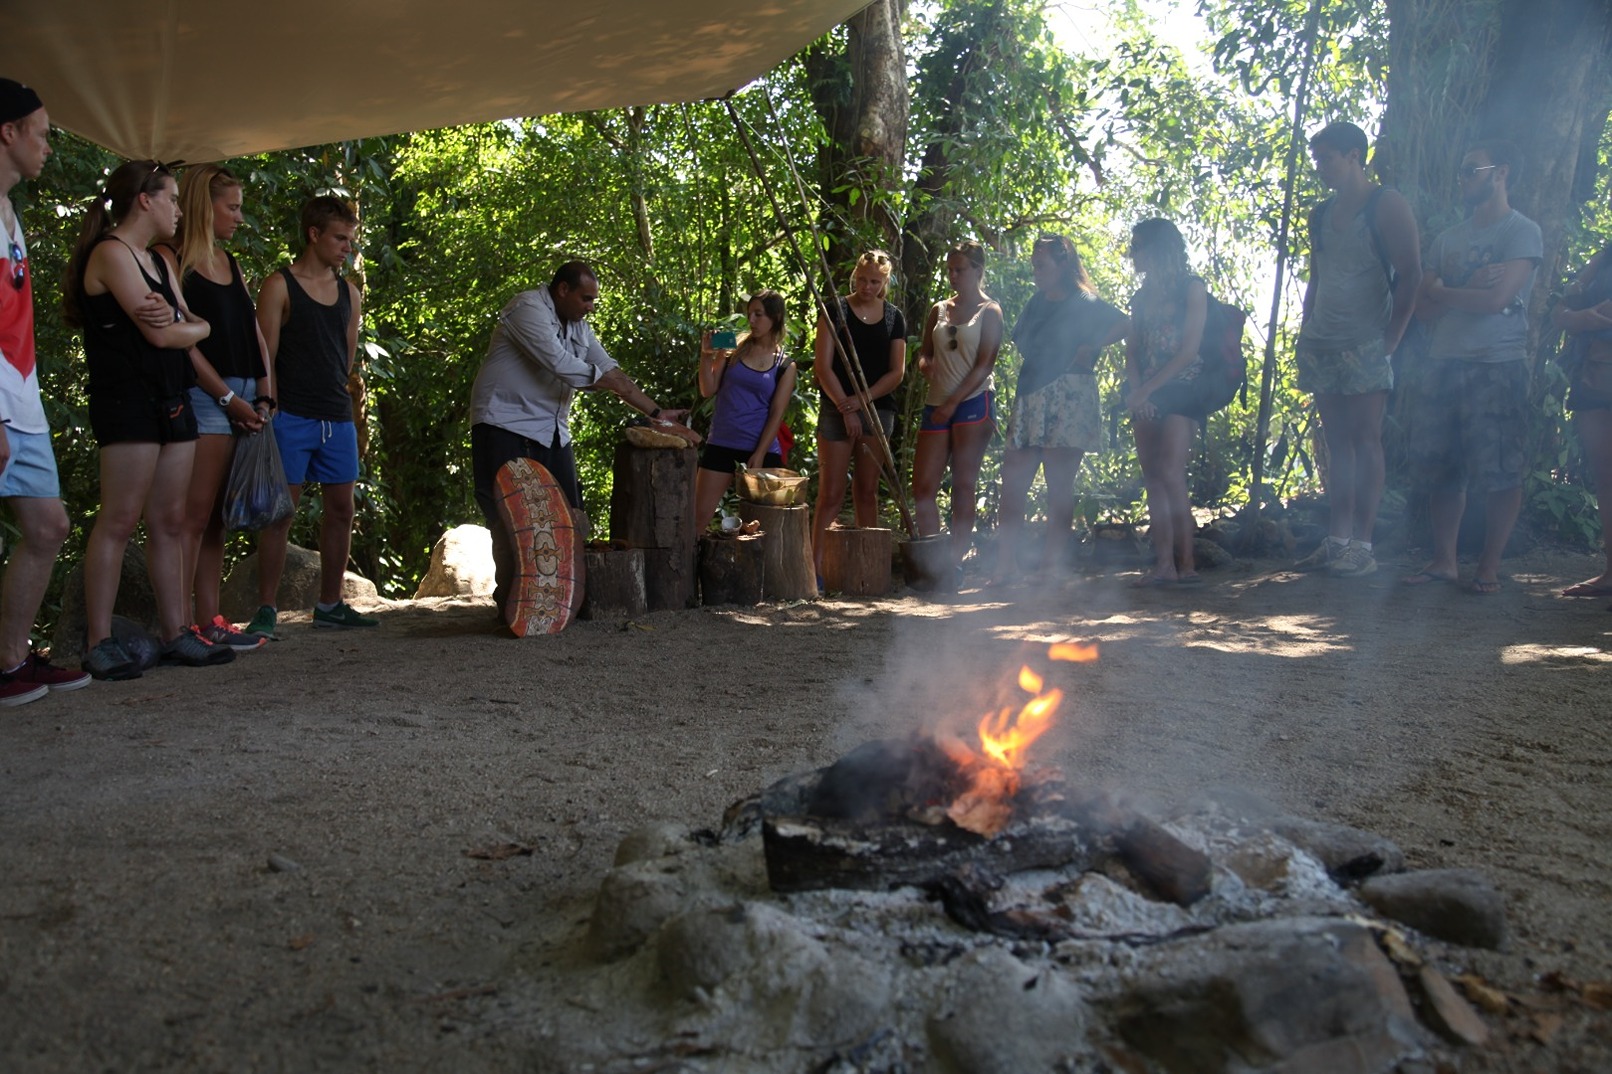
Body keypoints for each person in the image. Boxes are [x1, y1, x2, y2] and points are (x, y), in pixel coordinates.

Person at [64, 159, 235, 678]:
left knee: (168, 521)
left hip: (172, 399)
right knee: (118, 520)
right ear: (145, 199)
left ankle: (176, 632)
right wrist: (185, 327)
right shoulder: (111, 254)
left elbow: (192, 325)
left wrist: (189, 326)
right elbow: (165, 334)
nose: (180, 210)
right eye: (173, 199)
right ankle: (98, 640)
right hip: (127, 403)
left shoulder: (159, 263)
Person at [469, 260, 699, 616]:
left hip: (552, 431)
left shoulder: (578, 326)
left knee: (570, 516)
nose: (590, 307)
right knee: (510, 520)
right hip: (504, 425)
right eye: (585, 299)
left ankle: (559, 606)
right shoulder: (527, 308)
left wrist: (657, 414)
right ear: (562, 290)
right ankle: (512, 609)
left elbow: (608, 368)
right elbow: (562, 365)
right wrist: (609, 382)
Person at [1402, 141, 1542, 595]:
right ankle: (1445, 561)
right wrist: (1459, 289)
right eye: (1462, 172)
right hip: (1444, 363)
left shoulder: (1522, 232)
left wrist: (1445, 291)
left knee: (1503, 469)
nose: (1463, 179)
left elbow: (1496, 302)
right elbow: (1421, 307)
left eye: (1470, 170)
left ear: (1500, 172)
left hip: (1498, 364)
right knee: (1443, 468)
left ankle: (1489, 567)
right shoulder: (1448, 240)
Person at [1291, 122, 1422, 579]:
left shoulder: (1385, 204)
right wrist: (1306, 328)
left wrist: (1390, 340)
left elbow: (1410, 273)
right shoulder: (1320, 213)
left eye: (1326, 157)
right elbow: (1318, 274)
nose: (1319, 166)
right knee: (1337, 441)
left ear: (1353, 155)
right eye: (1316, 158)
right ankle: (1337, 540)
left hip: (1367, 339)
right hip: (1323, 340)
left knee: (1366, 440)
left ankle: (1363, 546)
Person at [0, 79, 91, 701]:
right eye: (43, 132)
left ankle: (7, 661)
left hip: (20, 393)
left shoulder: (8, 207)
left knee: (49, 526)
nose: (50, 146)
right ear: (8, 132)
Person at [159, 164, 271, 650]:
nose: (239, 217)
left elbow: (252, 330)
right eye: (233, 207)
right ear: (207, 206)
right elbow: (183, 342)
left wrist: (264, 391)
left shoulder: (230, 261)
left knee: (219, 518)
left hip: (245, 395)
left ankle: (209, 619)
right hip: (207, 398)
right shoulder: (171, 258)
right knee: (194, 514)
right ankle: (179, 624)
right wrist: (226, 398)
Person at [249, 196, 373, 636]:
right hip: (291, 417)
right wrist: (271, 408)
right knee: (281, 513)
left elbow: (347, 355)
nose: (346, 247)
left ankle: (330, 603)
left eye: (351, 240)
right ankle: (266, 607)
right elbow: (265, 355)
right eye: (340, 238)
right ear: (314, 234)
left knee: (342, 508)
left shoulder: (349, 293)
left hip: (336, 417)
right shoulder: (278, 285)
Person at [993, 234, 1127, 584]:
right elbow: (1022, 341)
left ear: (1063, 263)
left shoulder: (1086, 301)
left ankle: (1052, 568)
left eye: (1041, 265)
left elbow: (1126, 323)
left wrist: (1091, 346)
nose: (1035, 271)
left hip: (1071, 393)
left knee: (1059, 485)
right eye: (1034, 265)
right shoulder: (1036, 303)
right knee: (1013, 481)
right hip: (1031, 394)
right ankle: (1007, 565)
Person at [810, 250, 907, 576]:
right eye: (863, 279)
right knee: (831, 493)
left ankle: (870, 569)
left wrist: (862, 400)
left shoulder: (894, 317)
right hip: (836, 407)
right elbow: (822, 367)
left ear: (885, 281)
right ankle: (816, 570)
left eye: (875, 281)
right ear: (855, 275)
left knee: (867, 491)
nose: (867, 286)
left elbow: (897, 372)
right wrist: (845, 407)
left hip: (877, 409)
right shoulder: (834, 310)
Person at [1123, 218, 1208, 587]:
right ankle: (1163, 565)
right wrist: (1137, 391)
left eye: (1138, 246)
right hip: (1147, 391)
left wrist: (1148, 390)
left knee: (1171, 471)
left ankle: (1187, 564)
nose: (1132, 254)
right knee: (1153, 476)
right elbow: (1132, 352)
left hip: (1184, 388)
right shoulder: (1140, 298)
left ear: (1158, 249)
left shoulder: (1192, 289)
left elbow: (1189, 353)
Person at [912, 240, 1003, 573]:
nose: (952, 276)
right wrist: (924, 366)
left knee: (963, 482)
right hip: (937, 403)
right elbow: (924, 353)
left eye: (959, 270)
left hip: (973, 403)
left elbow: (984, 365)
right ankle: (934, 558)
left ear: (977, 270)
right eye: (949, 269)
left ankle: (955, 561)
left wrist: (952, 403)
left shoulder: (989, 311)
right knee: (923, 485)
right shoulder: (939, 309)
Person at [693, 290, 797, 525]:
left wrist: (759, 453)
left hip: (760, 449)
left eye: (758, 315)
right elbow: (707, 390)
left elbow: (776, 412)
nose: (751, 321)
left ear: (775, 317)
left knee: (761, 525)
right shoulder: (733, 348)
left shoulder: (785, 365)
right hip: (722, 442)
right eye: (750, 314)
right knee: (698, 517)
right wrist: (706, 356)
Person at [1550, 242, 1612, 601]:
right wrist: (1588, 317)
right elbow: (1561, 311)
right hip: (1595, 378)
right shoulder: (1603, 256)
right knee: (1606, 476)